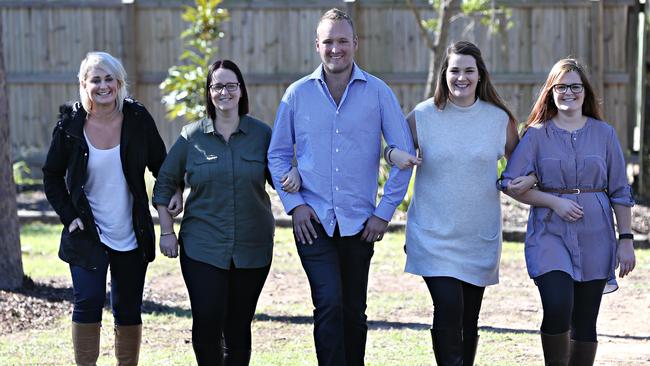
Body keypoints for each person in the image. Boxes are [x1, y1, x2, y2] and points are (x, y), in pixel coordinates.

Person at [267, 8, 415, 366]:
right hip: (312, 222)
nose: (336, 49)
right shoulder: (296, 95)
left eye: (343, 41)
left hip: (360, 225)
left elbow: (405, 154)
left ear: (355, 44)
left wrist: (383, 213)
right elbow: (277, 155)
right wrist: (294, 204)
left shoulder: (378, 93)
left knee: (353, 311)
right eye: (329, 41)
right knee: (329, 304)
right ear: (317, 45)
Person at [388, 41, 525, 366]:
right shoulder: (422, 116)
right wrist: (394, 155)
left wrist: (522, 183)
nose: (461, 77)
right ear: (444, 74)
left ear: (480, 76)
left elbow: (521, 165)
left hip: (479, 237)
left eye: (468, 71)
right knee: (449, 308)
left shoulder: (498, 119)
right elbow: (390, 151)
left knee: (469, 318)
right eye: (454, 70)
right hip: (433, 236)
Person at [42, 51, 182, 366]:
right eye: (96, 80)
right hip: (87, 232)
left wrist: (174, 189)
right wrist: (70, 217)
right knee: (88, 301)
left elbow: (161, 164)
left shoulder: (137, 118)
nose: (103, 86)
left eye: (110, 79)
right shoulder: (70, 123)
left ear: (119, 83)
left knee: (128, 308)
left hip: (132, 230)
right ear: (84, 84)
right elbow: (51, 175)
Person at [500, 58, 636, 365]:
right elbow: (509, 184)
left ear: (585, 92)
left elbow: (619, 191)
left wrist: (625, 239)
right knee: (558, 305)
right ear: (551, 92)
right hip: (550, 233)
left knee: (586, 320)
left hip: (596, 236)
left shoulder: (605, 134)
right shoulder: (536, 135)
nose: (568, 92)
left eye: (575, 86)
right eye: (561, 87)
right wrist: (552, 200)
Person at [153, 59, 286, 366]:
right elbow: (164, 183)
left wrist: (292, 177)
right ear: (209, 92)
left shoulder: (263, 136)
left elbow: (281, 180)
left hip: (252, 247)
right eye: (217, 86)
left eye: (230, 85)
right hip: (202, 246)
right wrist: (167, 232)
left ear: (241, 91)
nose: (224, 92)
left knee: (239, 325)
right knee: (208, 318)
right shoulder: (192, 136)